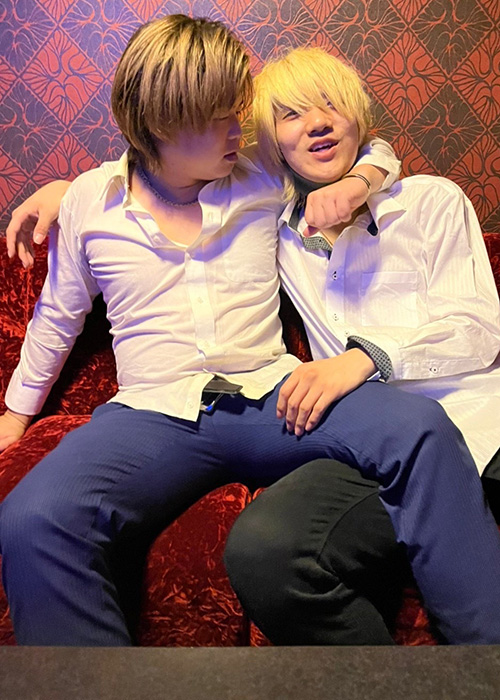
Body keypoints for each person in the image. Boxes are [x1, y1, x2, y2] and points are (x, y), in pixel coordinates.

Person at [1, 17, 499, 649]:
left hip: (271, 397)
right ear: (164, 126)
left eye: (238, 112)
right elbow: (57, 314)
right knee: (31, 518)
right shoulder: (89, 203)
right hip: (153, 412)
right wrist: (16, 415)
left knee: (419, 427)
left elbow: (365, 145)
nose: (241, 129)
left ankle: (486, 658)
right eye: (221, 119)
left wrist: (359, 182)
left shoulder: (259, 174)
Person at [223, 46, 500, 645]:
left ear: (358, 117)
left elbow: (477, 328)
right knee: (265, 550)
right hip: (368, 448)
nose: (317, 123)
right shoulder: (275, 232)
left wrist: (364, 357)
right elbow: (175, 162)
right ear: (274, 143)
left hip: (479, 426)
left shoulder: (430, 201)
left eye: (331, 105)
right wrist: (78, 191)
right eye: (292, 114)